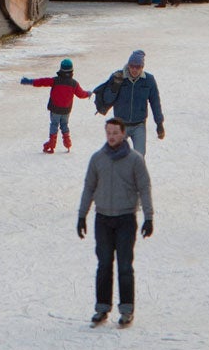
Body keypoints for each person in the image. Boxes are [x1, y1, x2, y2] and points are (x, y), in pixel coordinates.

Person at [77, 119, 155, 327]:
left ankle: (126, 309)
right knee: (103, 265)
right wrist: (81, 216)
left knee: (124, 265)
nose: (111, 136)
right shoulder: (97, 159)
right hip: (102, 218)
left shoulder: (135, 160)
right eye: (108, 132)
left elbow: (144, 188)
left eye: (115, 133)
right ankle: (102, 308)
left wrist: (148, 217)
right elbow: (89, 188)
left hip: (125, 219)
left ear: (123, 134)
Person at [93, 50, 167, 151]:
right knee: (117, 157)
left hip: (139, 125)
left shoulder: (148, 80)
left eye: (138, 67)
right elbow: (107, 100)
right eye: (132, 66)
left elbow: (155, 103)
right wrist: (114, 87)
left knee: (139, 157)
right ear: (128, 65)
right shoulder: (118, 77)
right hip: (120, 125)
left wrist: (159, 124)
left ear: (142, 67)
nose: (134, 69)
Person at [18, 58, 91, 153]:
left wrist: (30, 81)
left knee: (54, 125)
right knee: (64, 125)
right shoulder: (74, 84)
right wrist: (88, 94)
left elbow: (42, 82)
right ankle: (67, 143)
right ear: (72, 71)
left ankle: (51, 144)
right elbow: (81, 94)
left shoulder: (55, 81)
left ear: (61, 69)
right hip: (66, 110)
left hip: (55, 109)